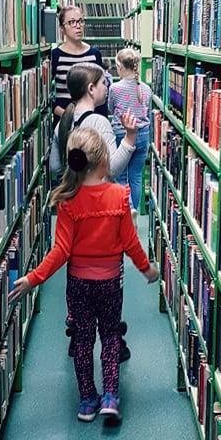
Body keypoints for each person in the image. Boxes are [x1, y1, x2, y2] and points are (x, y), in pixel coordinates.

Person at [10, 128, 158, 422]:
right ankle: (110, 396)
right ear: (104, 159)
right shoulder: (119, 196)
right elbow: (130, 242)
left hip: (78, 285)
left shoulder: (68, 202)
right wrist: (147, 269)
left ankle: (88, 400)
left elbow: (60, 251)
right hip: (110, 283)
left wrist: (33, 278)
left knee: (82, 340)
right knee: (111, 337)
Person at [51, 61, 137, 363]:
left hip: (76, 206)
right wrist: (129, 140)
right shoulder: (99, 123)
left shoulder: (66, 120)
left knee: (77, 271)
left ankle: (77, 330)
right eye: (103, 83)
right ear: (91, 89)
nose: (107, 87)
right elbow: (112, 167)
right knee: (109, 279)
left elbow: (57, 166)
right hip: (101, 210)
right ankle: (114, 338)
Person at [108, 47, 152, 212]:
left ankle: (128, 209)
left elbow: (111, 109)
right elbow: (148, 110)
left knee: (120, 175)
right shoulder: (146, 88)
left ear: (119, 67)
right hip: (143, 134)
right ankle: (135, 212)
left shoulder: (115, 88)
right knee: (136, 176)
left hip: (123, 133)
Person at [51, 6, 108, 119]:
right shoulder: (55, 56)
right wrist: (64, 114)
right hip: (65, 119)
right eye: (72, 22)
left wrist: (100, 120)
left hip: (92, 120)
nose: (78, 26)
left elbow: (100, 90)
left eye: (80, 21)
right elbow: (43, 95)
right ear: (62, 27)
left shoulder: (94, 54)